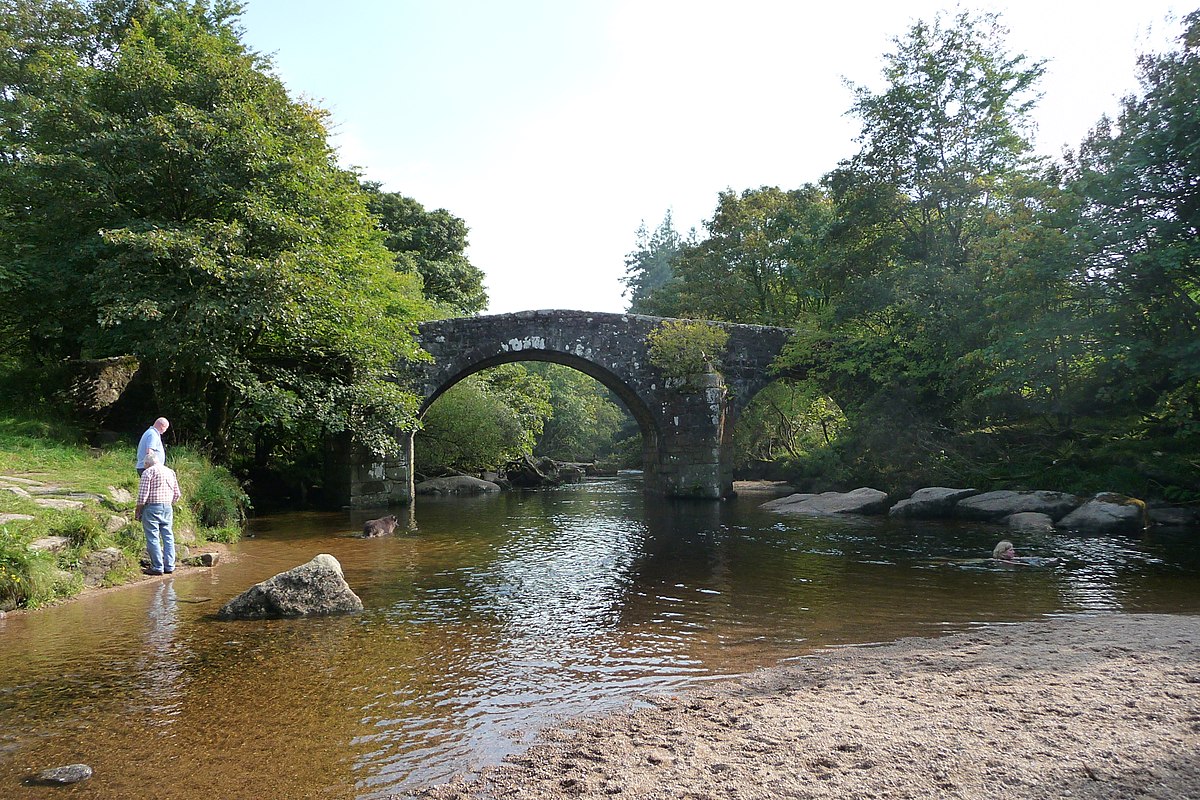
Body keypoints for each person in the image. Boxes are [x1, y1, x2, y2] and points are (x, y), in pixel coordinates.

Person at [135, 449, 181, 576]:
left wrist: (138, 510)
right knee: (168, 536)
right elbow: (177, 494)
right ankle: (170, 565)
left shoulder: (148, 472)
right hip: (167, 507)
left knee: (153, 537)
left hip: (152, 508)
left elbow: (142, 495)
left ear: (147, 464)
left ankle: (157, 567)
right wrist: (168, 503)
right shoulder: (170, 471)